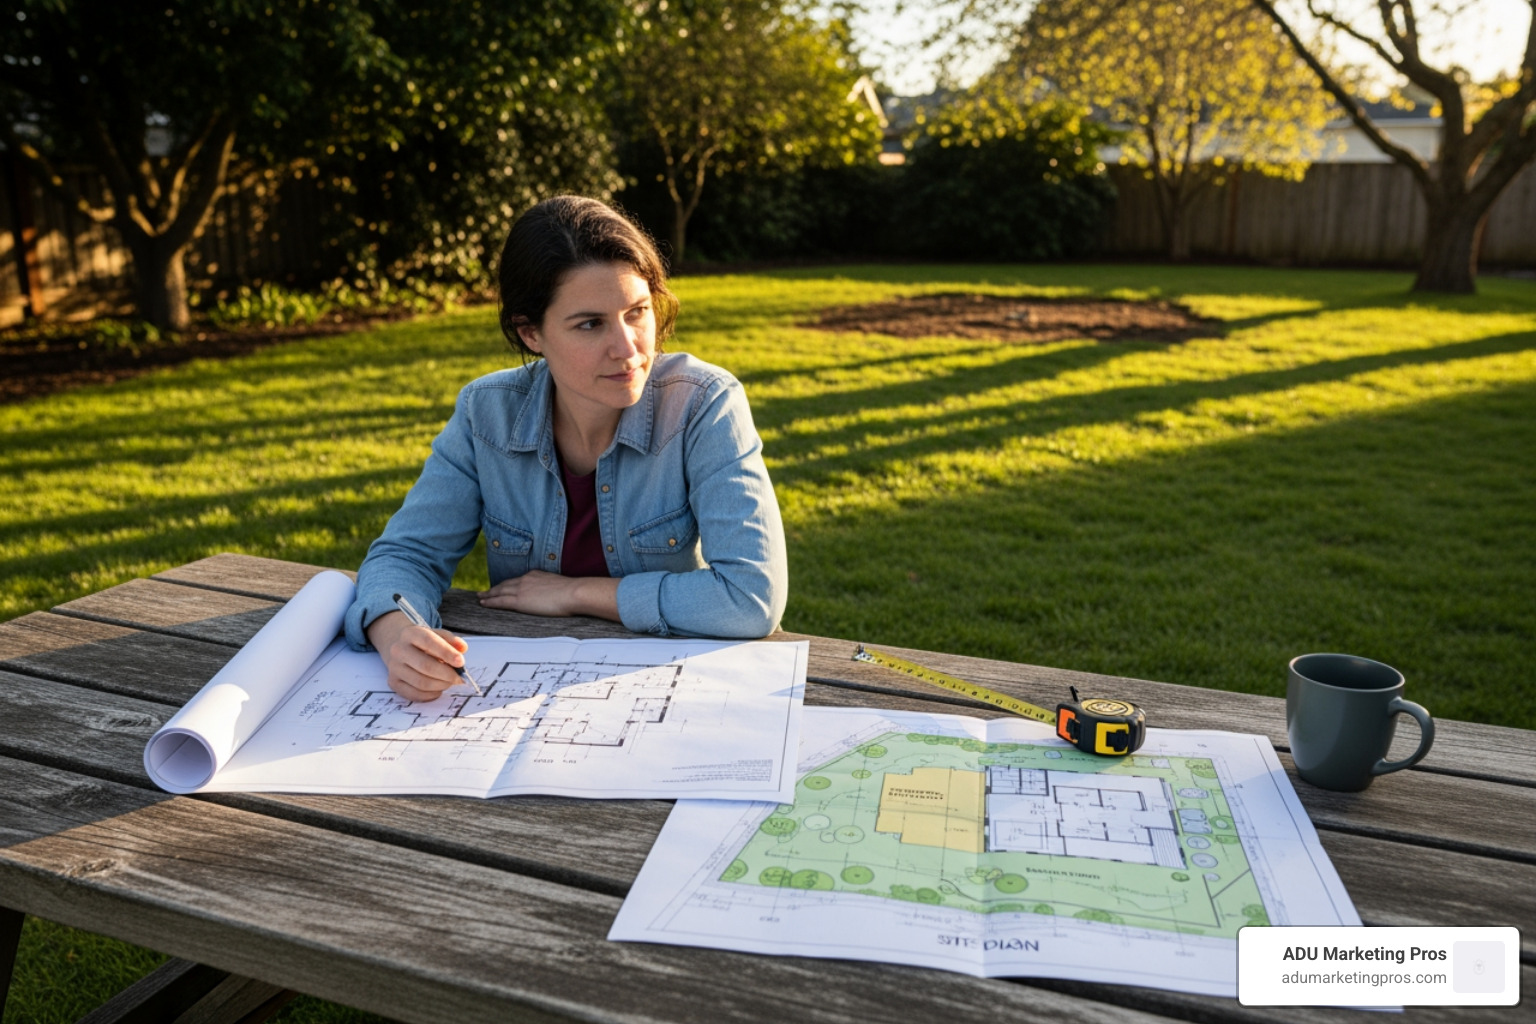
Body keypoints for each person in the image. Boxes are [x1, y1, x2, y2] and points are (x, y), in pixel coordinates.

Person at [344, 196, 787, 701]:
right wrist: (396, 634)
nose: (628, 348)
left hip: (664, 691)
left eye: (637, 312)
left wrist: (576, 593)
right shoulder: (485, 414)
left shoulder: (704, 404)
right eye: (590, 324)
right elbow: (406, 554)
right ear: (530, 333)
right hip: (519, 696)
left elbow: (752, 597)